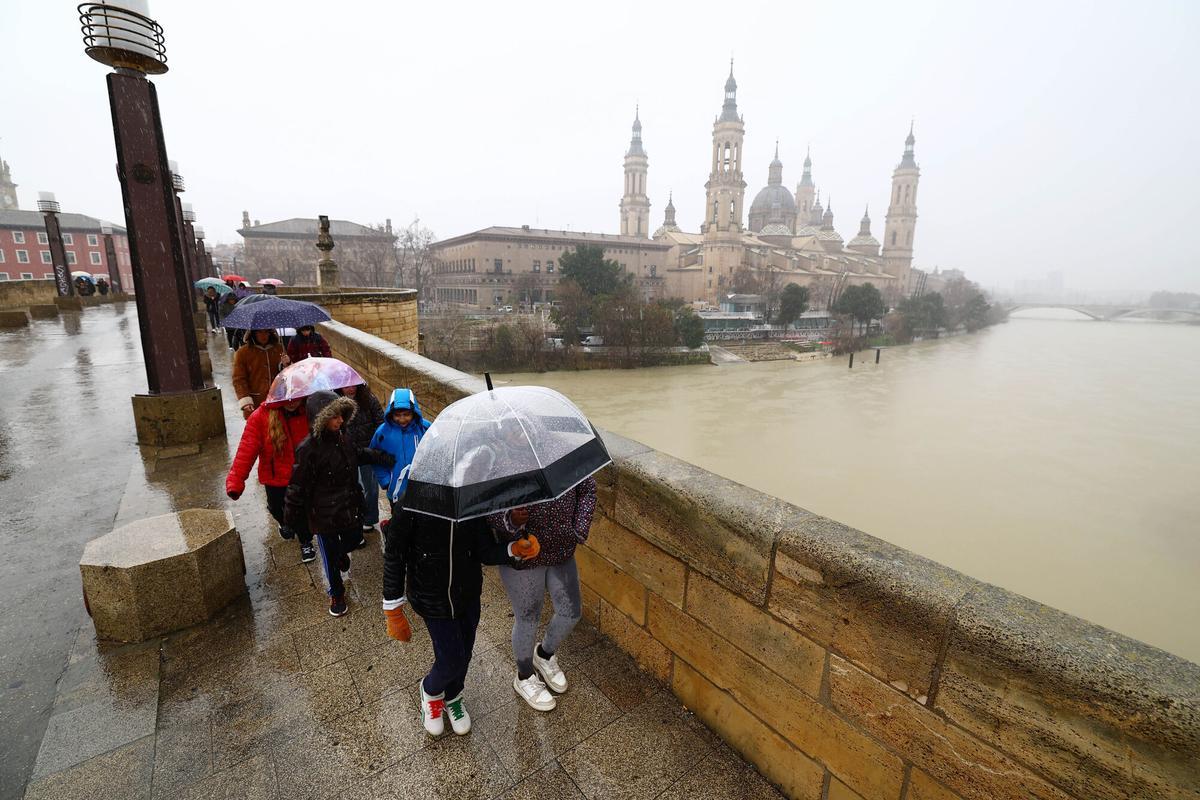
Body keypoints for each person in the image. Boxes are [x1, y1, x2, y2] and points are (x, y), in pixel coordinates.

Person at [382, 474, 541, 737]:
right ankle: (431, 691)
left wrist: (513, 549)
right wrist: (393, 607)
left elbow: (484, 550)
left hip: (467, 594)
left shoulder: (470, 497)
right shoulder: (413, 500)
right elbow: (395, 554)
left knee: (464, 653)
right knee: (451, 658)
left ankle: (454, 696)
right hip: (432, 597)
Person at [490, 476, 597, 711]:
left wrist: (578, 529)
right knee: (528, 618)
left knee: (571, 612)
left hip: (561, 549)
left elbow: (587, 487)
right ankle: (525, 676)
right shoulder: (500, 456)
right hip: (524, 553)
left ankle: (544, 654)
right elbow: (485, 503)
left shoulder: (565, 447)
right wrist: (510, 519)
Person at [286, 391, 393, 616]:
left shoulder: (343, 438)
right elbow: (297, 485)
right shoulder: (308, 449)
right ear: (321, 419)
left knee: (353, 541)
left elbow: (357, 454)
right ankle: (336, 592)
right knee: (330, 554)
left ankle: (340, 554)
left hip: (349, 506)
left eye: (341, 416)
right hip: (324, 515)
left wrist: (380, 457)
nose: (340, 421)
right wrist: (291, 518)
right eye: (334, 417)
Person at [225, 398, 316, 563]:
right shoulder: (260, 417)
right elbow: (246, 450)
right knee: (276, 507)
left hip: (300, 475)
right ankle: (284, 522)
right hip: (275, 478)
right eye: (287, 399)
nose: (291, 402)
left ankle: (305, 541)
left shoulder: (308, 411)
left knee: (301, 510)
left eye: (295, 398)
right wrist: (235, 481)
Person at [369, 388, 431, 507]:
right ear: (391, 414)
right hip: (395, 491)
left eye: (406, 415)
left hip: (422, 490)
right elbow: (374, 458)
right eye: (397, 415)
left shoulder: (425, 428)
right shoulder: (382, 433)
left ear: (414, 412)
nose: (402, 419)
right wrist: (386, 481)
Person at [340, 382, 387, 536]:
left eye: (354, 385)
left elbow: (380, 422)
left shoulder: (369, 399)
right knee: (353, 487)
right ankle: (355, 517)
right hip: (348, 452)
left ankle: (370, 518)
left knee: (371, 488)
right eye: (347, 386)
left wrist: (376, 445)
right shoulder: (336, 402)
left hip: (368, 451)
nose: (351, 388)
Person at [232, 329, 290, 419]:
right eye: (260, 332)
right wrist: (245, 399)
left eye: (266, 332)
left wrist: (287, 364)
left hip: (277, 399)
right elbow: (239, 379)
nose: (264, 335)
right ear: (253, 333)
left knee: (278, 429)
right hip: (255, 402)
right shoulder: (242, 353)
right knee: (257, 430)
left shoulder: (279, 348)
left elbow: (287, 375)